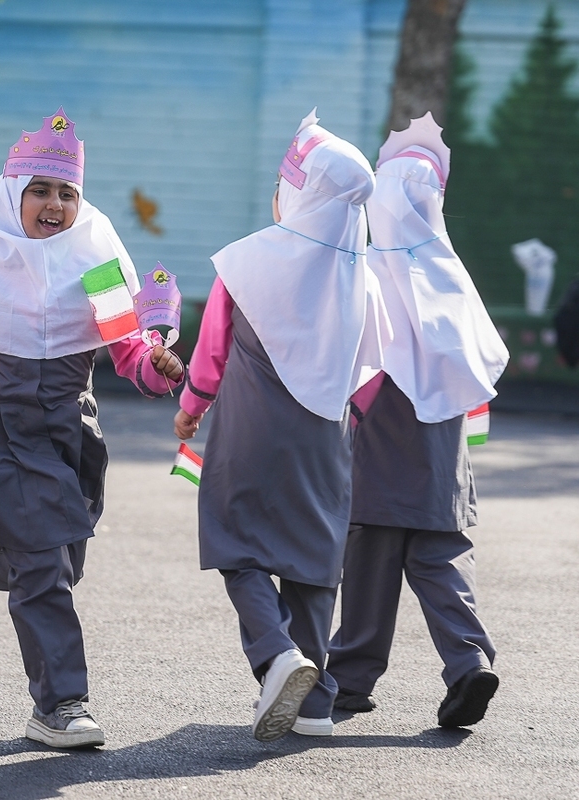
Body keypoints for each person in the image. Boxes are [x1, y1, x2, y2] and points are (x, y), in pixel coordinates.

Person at [0, 109, 185, 750]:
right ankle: (60, 705)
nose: (54, 205)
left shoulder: (100, 263)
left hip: (68, 430)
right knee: (44, 565)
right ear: (13, 195)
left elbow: (132, 353)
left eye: (67, 193)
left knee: (55, 562)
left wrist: (161, 371)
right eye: (41, 191)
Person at [174, 110, 389, 742]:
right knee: (313, 558)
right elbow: (371, 374)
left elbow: (212, 349)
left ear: (299, 193)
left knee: (234, 535)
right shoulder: (361, 276)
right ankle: (317, 701)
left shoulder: (247, 262)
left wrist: (190, 406)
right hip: (326, 436)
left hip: (248, 430)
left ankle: (275, 654)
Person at [327, 113, 509, 728]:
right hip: (444, 446)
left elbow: (350, 354)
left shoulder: (369, 267)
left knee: (371, 556)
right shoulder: (448, 270)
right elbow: (485, 359)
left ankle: (349, 678)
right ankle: (468, 661)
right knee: (441, 554)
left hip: (380, 437)